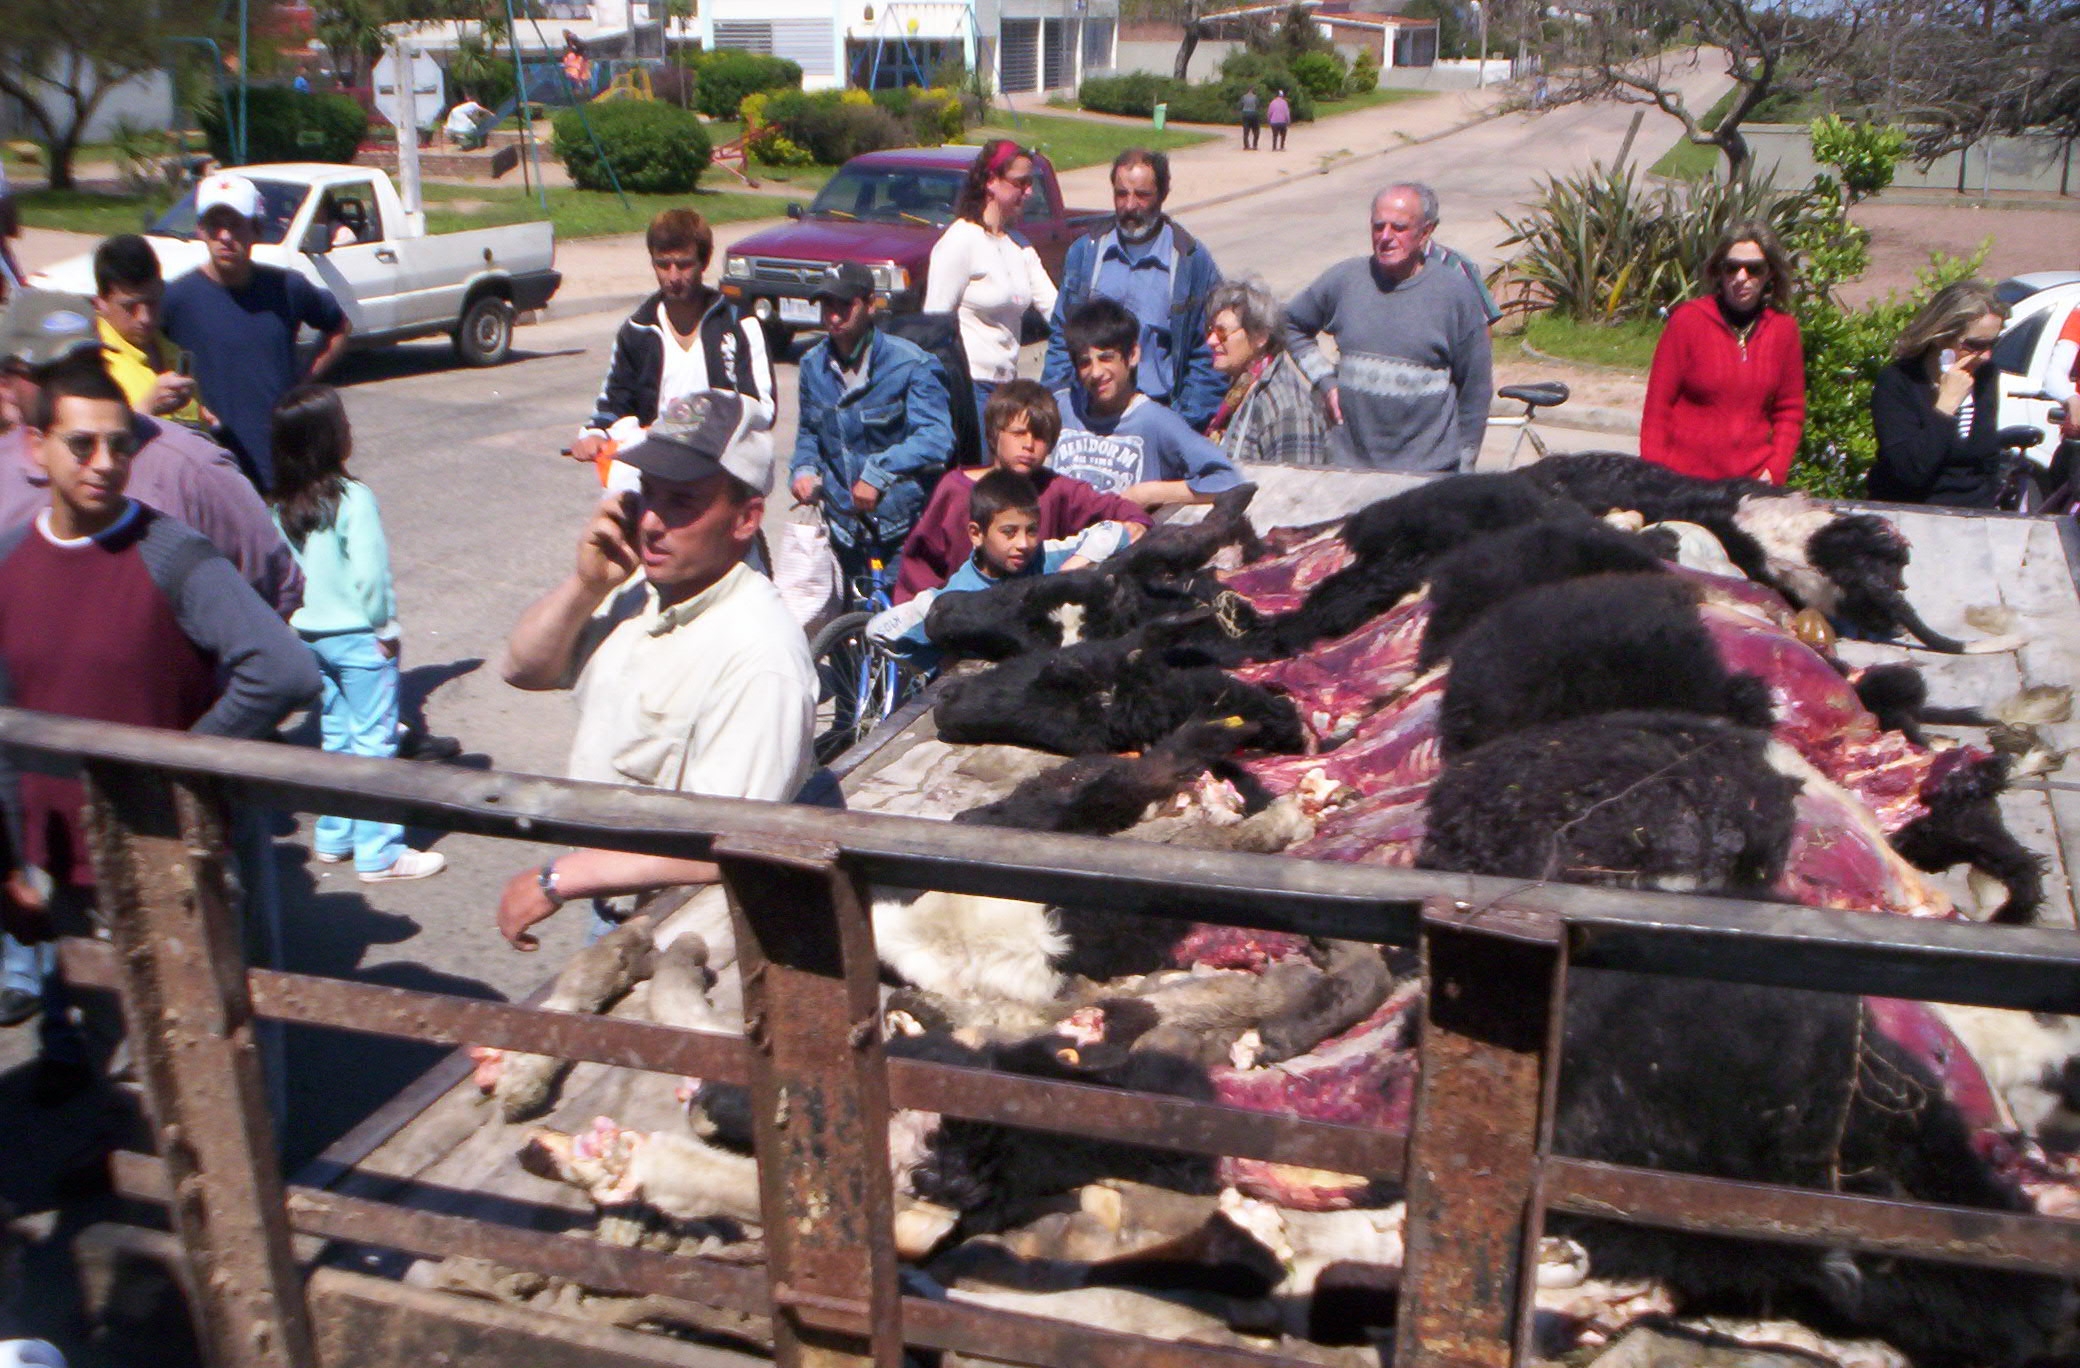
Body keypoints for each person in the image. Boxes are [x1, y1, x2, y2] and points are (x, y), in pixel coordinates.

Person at [0, 356, 317, 1100]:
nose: (106, 463)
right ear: (35, 447)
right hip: (68, 869)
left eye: (120, 444)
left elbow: (283, 670)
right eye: (83, 445)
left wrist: (175, 771)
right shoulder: (11, 565)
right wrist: (14, 860)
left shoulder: (169, 551)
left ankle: (247, 1211)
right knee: (119, 1051)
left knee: (213, 1054)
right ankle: (145, 1186)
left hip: (170, 858)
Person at [495, 390, 816, 950]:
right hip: (614, 901)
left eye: (682, 502)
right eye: (647, 494)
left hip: (686, 930)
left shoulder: (759, 654)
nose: (649, 522)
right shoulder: (642, 591)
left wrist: (557, 880)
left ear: (745, 520)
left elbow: (735, 839)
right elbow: (523, 667)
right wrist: (587, 584)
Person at [0, 287, 303, 615]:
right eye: (47, 374)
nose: (71, 387)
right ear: (6, 384)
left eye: (88, 367)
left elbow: (277, 587)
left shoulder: (189, 468)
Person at [268, 385, 446, 883]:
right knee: (375, 740)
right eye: (342, 424)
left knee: (338, 733)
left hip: (311, 635)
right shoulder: (353, 498)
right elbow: (370, 573)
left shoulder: (281, 505)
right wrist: (385, 627)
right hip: (359, 635)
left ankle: (336, 832)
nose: (350, 430)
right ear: (327, 440)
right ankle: (380, 852)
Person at [1282, 181, 1493, 472]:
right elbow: (1289, 324)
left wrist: (1466, 465)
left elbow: (1476, 389)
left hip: (1426, 474)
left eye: (1399, 228)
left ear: (1426, 232)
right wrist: (1325, 381)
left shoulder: (1454, 292)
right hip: (1350, 467)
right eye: (1378, 226)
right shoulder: (1345, 280)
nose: (1386, 237)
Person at [160, 172, 351, 490]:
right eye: (214, 225)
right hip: (211, 464)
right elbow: (144, 347)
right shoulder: (177, 298)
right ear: (200, 231)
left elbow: (339, 325)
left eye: (235, 224)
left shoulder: (287, 288)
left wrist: (302, 383)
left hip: (280, 460)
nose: (224, 236)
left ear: (256, 229)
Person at [570, 209, 773, 492]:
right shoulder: (637, 330)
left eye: (684, 264)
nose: (673, 276)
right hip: (656, 475)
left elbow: (763, 408)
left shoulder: (739, 324)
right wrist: (594, 433)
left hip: (719, 473)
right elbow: (614, 402)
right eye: (663, 265)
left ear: (704, 262)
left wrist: (690, 421)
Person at [895, 379, 1149, 602]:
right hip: (963, 618)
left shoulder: (1057, 490)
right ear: (994, 435)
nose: (1028, 445)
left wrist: (1135, 524)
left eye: (1039, 437)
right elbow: (921, 564)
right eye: (1019, 433)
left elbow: (1119, 509)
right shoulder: (955, 490)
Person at [790, 262, 954, 591]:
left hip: (898, 528)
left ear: (870, 303)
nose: (833, 317)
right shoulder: (812, 365)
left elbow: (937, 436)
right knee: (845, 631)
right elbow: (809, 432)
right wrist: (803, 469)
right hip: (840, 530)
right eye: (826, 306)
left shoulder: (911, 364)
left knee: (895, 628)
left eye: (843, 305)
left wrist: (878, 473)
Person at [1041, 149, 1225, 431]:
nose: (1130, 206)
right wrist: (1057, 404)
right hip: (1087, 416)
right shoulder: (1086, 253)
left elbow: (1207, 354)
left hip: (1158, 416)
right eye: (1121, 194)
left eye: (1142, 195)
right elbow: (1061, 335)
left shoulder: (1190, 262)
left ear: (1163, 194)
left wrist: (1181, 424)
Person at [887, 468, 1135, 652]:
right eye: (1009, 532)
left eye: (1032, 530)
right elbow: (883, 631)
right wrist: (936, 660)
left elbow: (1113, 531)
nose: (1024, 544)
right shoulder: (959, 593)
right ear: (976, 534)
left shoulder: (1045, 558)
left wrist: (1072, 569)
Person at [1640, 222, 1806, 484]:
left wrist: (1774, 471)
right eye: (1731, 267)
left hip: (1751, 485)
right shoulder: (1688, 321)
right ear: (1719, 271)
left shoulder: (1783, 329)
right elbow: (1657, 409)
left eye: (1754, 269)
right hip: (1685, 484)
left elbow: (1790, 411)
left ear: (1770, 274)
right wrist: (1654, 478)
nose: (1741, 277)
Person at [1051, 296, 1243, 510]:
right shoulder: (1063, 409)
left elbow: (1228, 480)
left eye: (1106, 358)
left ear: (1132, 355)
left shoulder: (1154, 421)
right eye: (1085, 362)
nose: (1096, 372)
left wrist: (1149, 493)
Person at [923, 140, 1059, 431]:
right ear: (990, 181)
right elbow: (935, 323)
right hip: (969, 387)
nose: (1029, 192)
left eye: (1031, 183)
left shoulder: (1019, 245)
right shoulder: (960, 240)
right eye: (1021, 183)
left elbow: (1055, 309)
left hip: (1007, 390)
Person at [1867, 279, 2011, 508]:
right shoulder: (1899, 382)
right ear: (1942, 337)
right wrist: (1945, 407)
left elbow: (1987, 459)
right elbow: (1911, 471)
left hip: (1973, 516)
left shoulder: (1985, 375)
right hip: (1911, 513)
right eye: (1975, 345)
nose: (1986, 356)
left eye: (1993, 343)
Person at [1203, 278, 1331, 467]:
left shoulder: (1289, 410)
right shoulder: (1241, 389)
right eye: (1210, 330)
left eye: (1222, 332)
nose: (1211, 341)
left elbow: (1293, 490)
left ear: (1260, 336)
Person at [89, 234, 206, 427]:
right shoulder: (94, 363)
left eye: (152, 302)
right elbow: (93, 441)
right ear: (100, 303)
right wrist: (147, 408)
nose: (145, 318)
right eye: (129, 307)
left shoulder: (173, 352)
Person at [1240, 86, 1262, 150]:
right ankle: (1254, 145)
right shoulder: (1255, 97)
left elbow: (1241, 105)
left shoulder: (1243, 97)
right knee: (1256, 130)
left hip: (1245, 113)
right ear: (1252, 90)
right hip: (1253, 113)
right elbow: (1258, 105)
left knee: (1246, 131)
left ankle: (1246, 145)